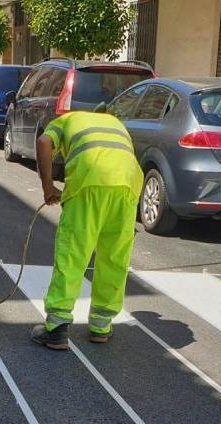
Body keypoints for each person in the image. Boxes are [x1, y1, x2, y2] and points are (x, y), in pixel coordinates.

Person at [29, 111, 143, 350]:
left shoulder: (64, 121)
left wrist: (48, 187)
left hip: (89, 181)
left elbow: (43, 142)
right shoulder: (114, 122)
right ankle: (101, 325)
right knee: (114, 255)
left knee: (73, 251)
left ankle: (57, 327)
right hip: (128, 184)